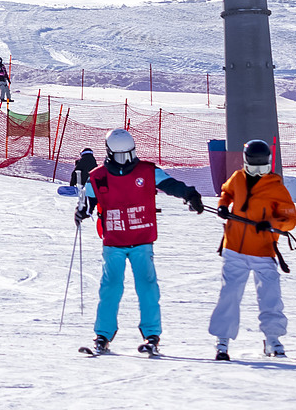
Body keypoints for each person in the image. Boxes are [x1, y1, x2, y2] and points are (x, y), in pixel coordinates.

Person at [77, 126, 206, 355]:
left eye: (129, 155)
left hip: (142, 239)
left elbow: (171, 185)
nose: (126, 161)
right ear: (109, 153)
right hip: (114, 241)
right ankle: (103, 335)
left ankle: (152, 334)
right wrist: (82, 212)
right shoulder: (98, 176)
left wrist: (190, 194)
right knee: (111, 288)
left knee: (147, 287)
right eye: (120, 156)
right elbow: (88, 201)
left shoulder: (147, 171)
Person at [210, 138, 296, 360]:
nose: (259, 171)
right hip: (234, 249)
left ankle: (273, 340)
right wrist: (223, 205)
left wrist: (272, 225)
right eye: (255, 166)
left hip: (263, 250)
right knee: (229, 294)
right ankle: (222, 341)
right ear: (246, 162)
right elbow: (227, 191)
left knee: (270, 296)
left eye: (264, 166)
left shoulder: (275, 186)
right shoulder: (238, 178)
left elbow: (290, 219)